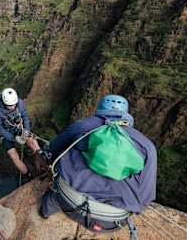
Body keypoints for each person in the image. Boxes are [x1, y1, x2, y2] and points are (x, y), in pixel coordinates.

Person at [39, 94, 157, 235]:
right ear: (126, 115)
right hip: (109, 222)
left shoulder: (83, 125)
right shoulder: (147, 146)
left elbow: (53, 149)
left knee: (52, 197)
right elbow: (146, 195)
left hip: (67, 200)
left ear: (101, 109)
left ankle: (45, 212)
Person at [0, 88, 44, 178]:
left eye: (14, 104)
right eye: (10, 106)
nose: (13, 107)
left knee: (34, 144)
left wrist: (26, 131)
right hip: (6, 133)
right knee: (13, 156)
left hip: (19, 128)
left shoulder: (19, 103)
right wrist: (13, 138)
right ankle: (29, 175)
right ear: (4, 103)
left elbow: (25, 117)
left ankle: (41, 169)